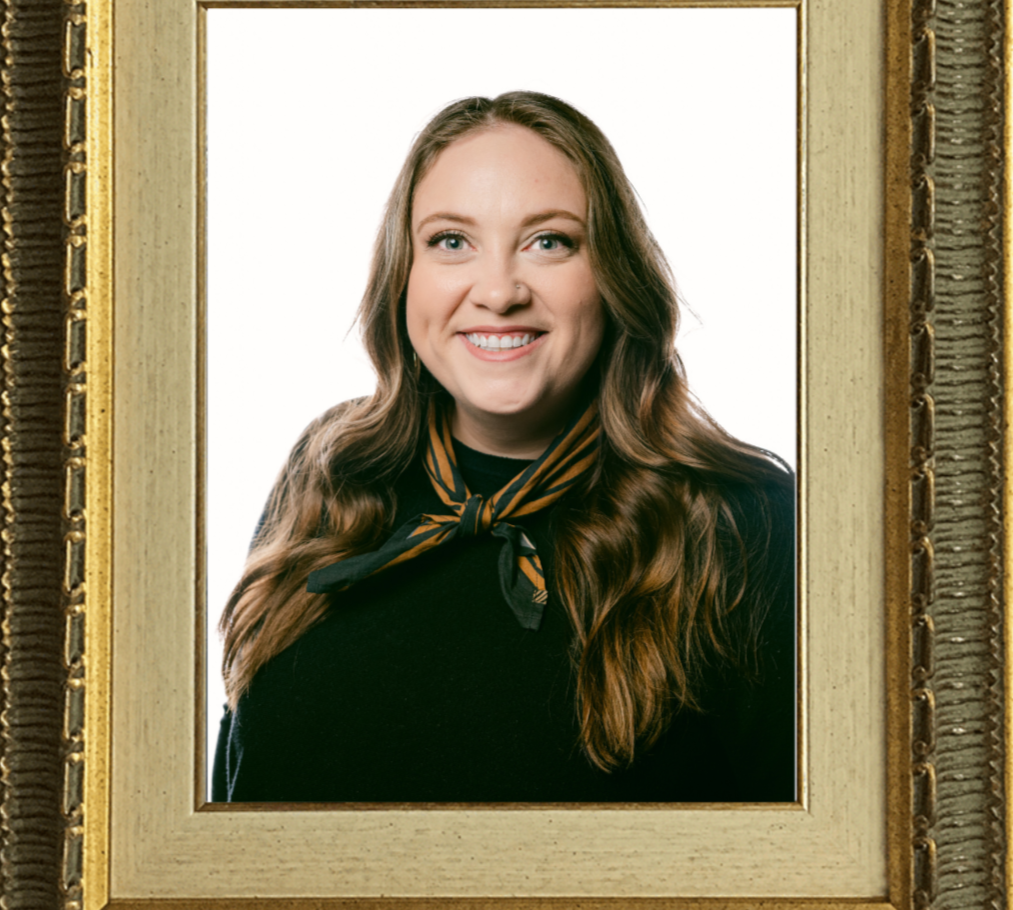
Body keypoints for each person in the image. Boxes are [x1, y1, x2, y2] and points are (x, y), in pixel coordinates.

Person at [212, 91, 795, 804]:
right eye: (451, 241)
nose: (497, 291)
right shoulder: (331, 474)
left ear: (612, 276)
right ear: (404, 276)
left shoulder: (749, 524)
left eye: (548, 241)